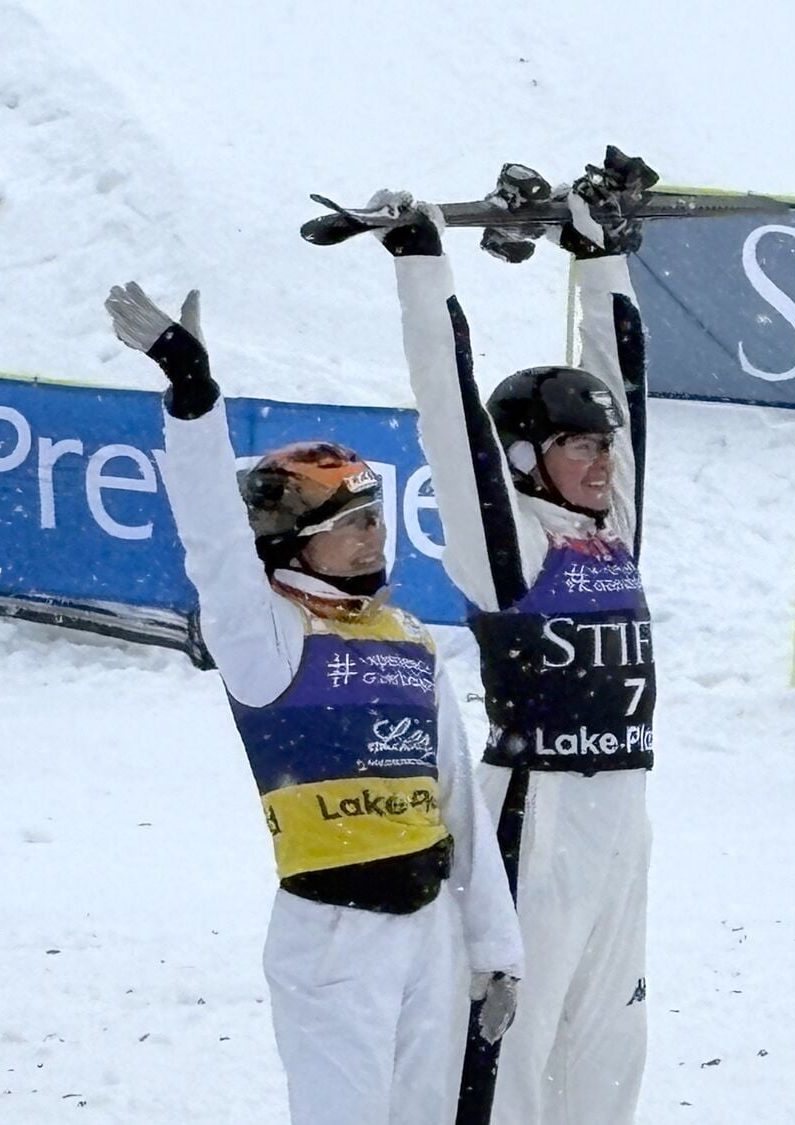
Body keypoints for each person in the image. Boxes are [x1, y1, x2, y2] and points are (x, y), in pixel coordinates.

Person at [104, 282, 523, 1125]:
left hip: (430, 926)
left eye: (375, 514)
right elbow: (213, 543)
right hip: (333, 935)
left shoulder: (407, 635)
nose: (373, 533)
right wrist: (194, 399)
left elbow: (457, 807)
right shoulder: (267, 638)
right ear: (293, 541)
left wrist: (494, 948)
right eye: (351, 520)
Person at [358, 147, 657, 1125]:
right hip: (535, 816)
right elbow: (450, 416)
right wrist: (422, 268)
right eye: (581, 446)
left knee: (607, 1056)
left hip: (623, 820)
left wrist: (601, 255)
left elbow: (627, 387)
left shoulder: (612, 536)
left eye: (603, 445)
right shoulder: (510, 553)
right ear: (527, 456)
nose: (604, 461)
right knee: (509, 1059)